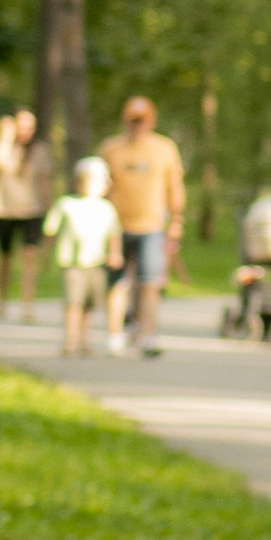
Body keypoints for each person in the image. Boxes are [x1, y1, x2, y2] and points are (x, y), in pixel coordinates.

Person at [100, 94, 187, 355]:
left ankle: (148, 333)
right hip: (116, 227)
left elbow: (174, 186)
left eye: (142, 121)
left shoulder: (164, 149)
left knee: (149, 282)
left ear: (151, 121)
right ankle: (115, 333)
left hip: (151, 226)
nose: (137, 126)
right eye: (132, 121)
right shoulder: (110, 149)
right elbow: (100, 188)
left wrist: (176, 220)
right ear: (125, 121)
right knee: (117, 283)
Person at [43, 158, 121, 354]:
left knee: (89, 304)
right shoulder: (66, 204)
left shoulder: (107, 208)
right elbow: (50, 231)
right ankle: (70, 339)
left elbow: (114, 234)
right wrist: (44, 255)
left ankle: (84, 340)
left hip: (96, 263)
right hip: (72, 262)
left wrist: (114, 254)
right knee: (73, 302)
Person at [0, 109, 54, 318]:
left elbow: (44, 181)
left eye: (29, 126)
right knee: (4, 258)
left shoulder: (40, 150)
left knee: (29, 257)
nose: (25, 131)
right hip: (4, 209)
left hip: (31, 209)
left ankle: (27, 304)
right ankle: (1, 302)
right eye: (21, 125)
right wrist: (5, 134)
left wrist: (50, 210)